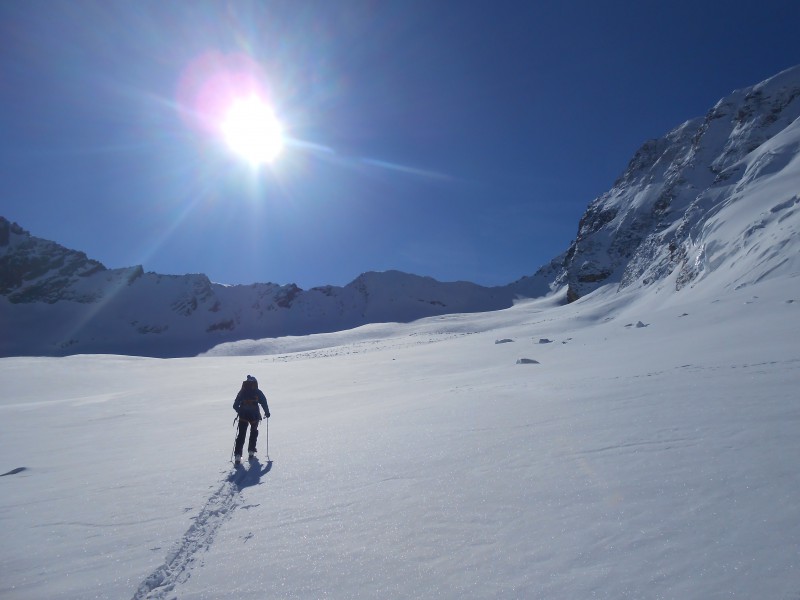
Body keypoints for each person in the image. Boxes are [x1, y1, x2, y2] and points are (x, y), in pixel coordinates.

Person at [232, 375, 270, 464]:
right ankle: (251, 451)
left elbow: (235, 405)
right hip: (254, 415)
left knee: (241, 434)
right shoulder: (257, 391)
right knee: (253, 432)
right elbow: (264, 402)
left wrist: (240, 410)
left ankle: (237, 455)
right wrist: (267, 412)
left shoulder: (242, 391)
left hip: (243, 415)